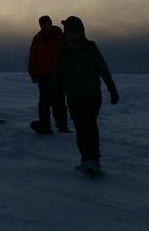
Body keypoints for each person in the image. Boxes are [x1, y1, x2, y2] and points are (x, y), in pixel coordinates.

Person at [51, 16, 119, 174]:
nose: (71, 35)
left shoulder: (91, 48)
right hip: (73, 97)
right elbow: (58, 74)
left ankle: (94, 159)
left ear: (81, 32)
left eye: (74, 32)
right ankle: (85, 159)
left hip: (91, 95)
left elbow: (103, 69)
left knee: (89, 125)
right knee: (80, 129)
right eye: (68, 32)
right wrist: (54, 92)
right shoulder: (63, 52)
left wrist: (112, 88)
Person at [27, 15, 68, 134]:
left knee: (59, 101)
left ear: (51, 23)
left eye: (47, 23)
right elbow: (32, 56)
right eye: (43, 24)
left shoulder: (59, 36)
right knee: (43, 102)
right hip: (42, 75)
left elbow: (68, 49)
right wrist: (32, 72)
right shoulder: (37, 38)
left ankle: (62, 126)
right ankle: (45, 125)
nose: (45, 26)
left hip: (57, 75)